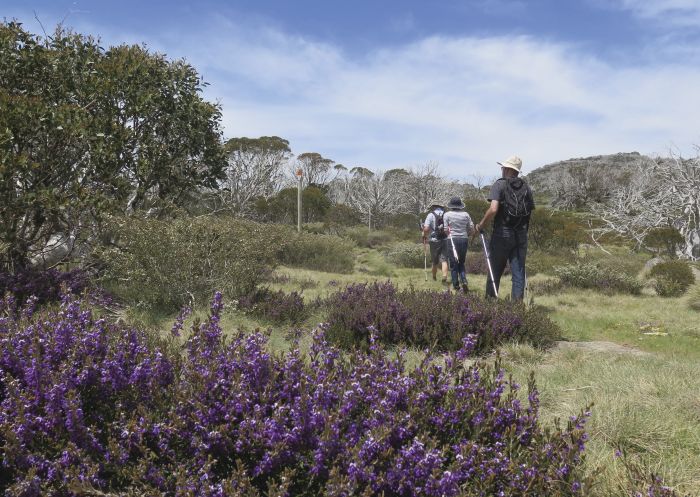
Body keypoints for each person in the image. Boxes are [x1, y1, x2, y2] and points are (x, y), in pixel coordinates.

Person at [473, 155, 535, 301]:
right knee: (518, 272)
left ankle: (490, 302)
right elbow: (529, 213)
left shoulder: (499, 184)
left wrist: (480, 225)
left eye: (503, 167)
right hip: (521, 234)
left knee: (495, 270)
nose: (501, 169)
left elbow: (493, 209)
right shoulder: (527, 188)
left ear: (507, 169)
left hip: (502, 233)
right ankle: (517, 308)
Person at [443, 197, 475, 292]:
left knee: (453, 264)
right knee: (461, 262)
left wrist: (449, 233)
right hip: (464, 239)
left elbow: (445, 230)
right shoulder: (466, 214)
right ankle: (464, 280)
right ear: (460, 205)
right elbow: (472, 228)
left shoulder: (447, 214)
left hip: (452, 239)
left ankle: (456, 285)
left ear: (451, 206)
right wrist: (467, 234)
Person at [422, 203, 449, 284]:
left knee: (435, 260)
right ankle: (444, 276)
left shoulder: (430, 215)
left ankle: (434, 277)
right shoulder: (446, 214)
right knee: (444, 260)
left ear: (434, 207)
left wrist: (424, 236)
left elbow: (426, 229)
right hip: (445, 239)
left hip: (434, 240)